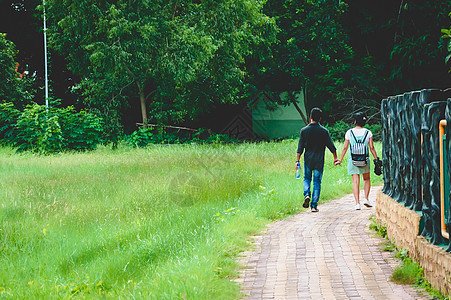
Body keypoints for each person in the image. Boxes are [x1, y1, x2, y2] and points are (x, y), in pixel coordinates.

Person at [296, 108, 339, 212]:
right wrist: (335, 158)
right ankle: (314, 205)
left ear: (310, 117)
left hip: (308, 160)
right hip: (319, 161)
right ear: (320, 118)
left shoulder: (304, 131)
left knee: (306, 179)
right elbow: (331, 146)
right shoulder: (324, 131)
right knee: (317, 182)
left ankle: (307, 194)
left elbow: (300, 147)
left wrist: (297, 161)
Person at [336, 112, 379, 210]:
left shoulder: (349, 132)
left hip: (353, 160)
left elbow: (345, 148)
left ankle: (357, 203)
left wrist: (340, 160)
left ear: (355, 121)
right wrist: (376, 159)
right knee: (366, 179)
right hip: (365, 159)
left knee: (355, 181)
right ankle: (366, 199)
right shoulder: (368, 132)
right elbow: (371, 147)